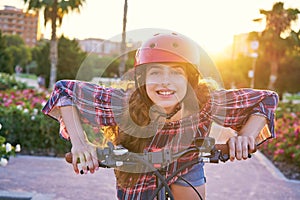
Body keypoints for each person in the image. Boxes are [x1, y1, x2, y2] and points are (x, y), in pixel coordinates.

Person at [42, 32, 279, 200]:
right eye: (155, 72)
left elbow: (265, 99)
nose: (165, 81)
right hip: (136, 171)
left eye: (176, 73)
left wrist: (245, 137)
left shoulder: (206, 101)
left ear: (190, 80)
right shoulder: (123, 104)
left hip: (186, 167)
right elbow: (65, 91)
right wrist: (80, 144)